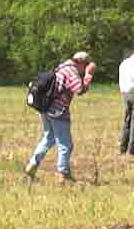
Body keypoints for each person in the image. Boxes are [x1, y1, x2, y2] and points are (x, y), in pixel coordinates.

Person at [26, 51, 96, 185]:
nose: (84, 69)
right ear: (81, 62)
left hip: (46, 109)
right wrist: (88, 75)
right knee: (66, 144)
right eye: (85, 65)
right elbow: (79, 89)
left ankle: (32, 165)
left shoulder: (62, 67)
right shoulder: (71, 70)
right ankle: (63, 175)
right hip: (57, 111)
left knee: (49, 138)